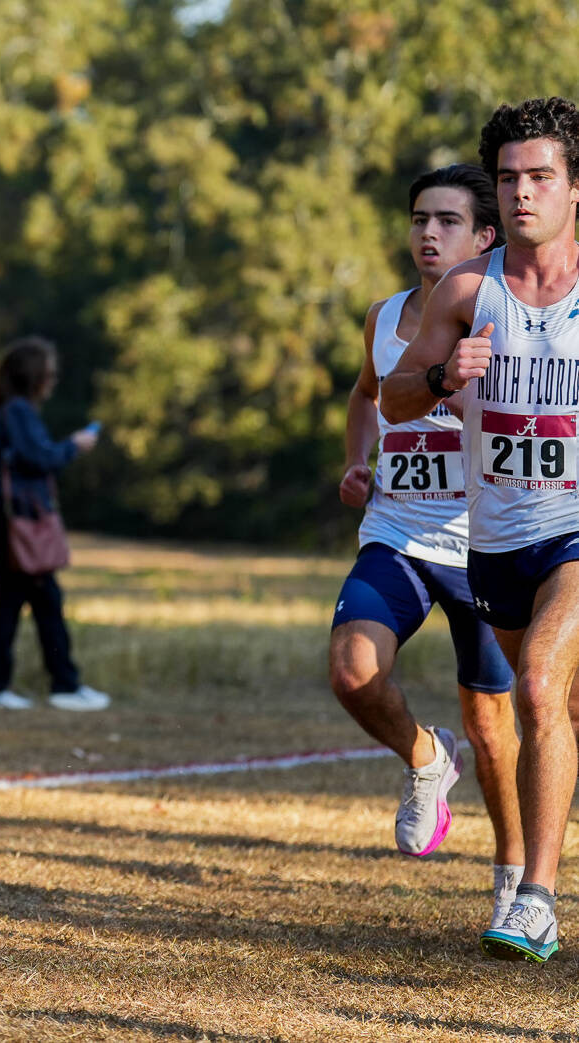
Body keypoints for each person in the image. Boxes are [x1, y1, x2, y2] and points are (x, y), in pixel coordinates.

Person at [384, 97, 579, 963]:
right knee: (563, 711)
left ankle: (535, 899)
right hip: (496, 541)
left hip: (574, 529)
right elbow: (393, 398)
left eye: (540, 176)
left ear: (574, 187)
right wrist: (440, 375)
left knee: (534, 688)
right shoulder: (467, 290)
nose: (521, 192)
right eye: (507, 178)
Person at [332, 164, 523, 928]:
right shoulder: (384, 315)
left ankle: (515, 877)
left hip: (485, 546)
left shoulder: (510, 321)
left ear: (484, 236)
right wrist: (357, 460)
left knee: (494, 729)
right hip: (399, 533)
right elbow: (366, 393)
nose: (429, 233)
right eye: (419, 219)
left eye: (448, 221)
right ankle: (426, 760)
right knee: (353, 671)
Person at [0, 337, 109, 711]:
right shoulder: (18, 412)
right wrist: (75, 445)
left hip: (8, 521)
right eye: (50, 374)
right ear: (35, 377)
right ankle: (62, 686)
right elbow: (40, 459)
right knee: (44, 602)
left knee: (13, 603)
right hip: (20, 524)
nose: (54, 381)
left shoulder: (7, 411)